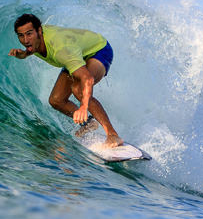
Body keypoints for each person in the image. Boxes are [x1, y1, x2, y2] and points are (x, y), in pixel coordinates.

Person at [8, 13, 123, 148]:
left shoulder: (60, 50)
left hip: (98, 50)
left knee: (78, 89)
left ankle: (113, 135)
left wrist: (83, 107)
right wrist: (25, 54)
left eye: (29, 34)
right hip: (76, 53)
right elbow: (33, 46)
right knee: (56, 100)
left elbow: (88, 78)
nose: (26, 40)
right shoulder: (35, 41)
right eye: (21, 36)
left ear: (39, 31)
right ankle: (89, 123)